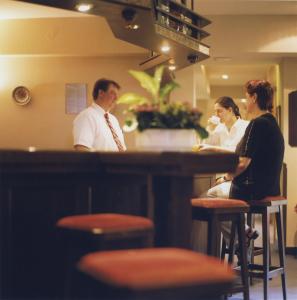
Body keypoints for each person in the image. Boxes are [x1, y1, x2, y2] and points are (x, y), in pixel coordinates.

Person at [222, 80, 284, 201]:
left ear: (254, 97)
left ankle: (237, 220)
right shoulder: (272, 122)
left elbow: (243, 164)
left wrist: (225, 177)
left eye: (247, 97)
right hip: (271, 188)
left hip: (253, 191)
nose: (245, 102)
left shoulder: (257, 123)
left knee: (211, 193)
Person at [201, 97, 249, 198]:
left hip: (238, 177)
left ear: (230, 110)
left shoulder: (246, 127)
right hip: (220, 177)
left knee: (205, 196)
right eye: (215, 112)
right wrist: (209, 128)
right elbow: (205, 147)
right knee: (200, 193)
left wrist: (224, 178)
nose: (217, 115)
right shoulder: (219, 128)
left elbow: (241, 153)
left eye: (219, 111)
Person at [73, 78, 126, 151]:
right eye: (113, 93)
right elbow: (82, 148)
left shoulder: (113, 119)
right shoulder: (87, 116)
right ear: (101, 93)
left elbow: (122, 148)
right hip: (101, 162)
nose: (116, 98)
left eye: (117, 94)